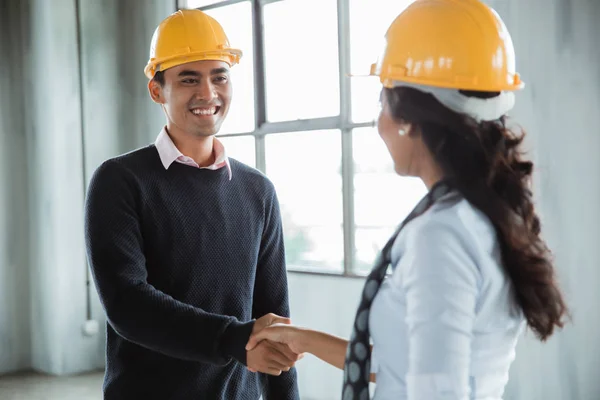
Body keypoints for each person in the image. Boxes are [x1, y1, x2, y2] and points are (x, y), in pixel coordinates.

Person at [245, 0, 569, 399]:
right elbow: (409, 364)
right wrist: (303, 339)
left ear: (409, 118)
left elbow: (436, 391)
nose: (378, 121)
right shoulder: (476, 214)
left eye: (382, 103)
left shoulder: (440, 234)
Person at [84, 9, 300, 400]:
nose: (208, 93)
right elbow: (127, 303)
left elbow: (274, 317)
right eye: (188, 79)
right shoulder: (120, 181)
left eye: (219, 76)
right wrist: (233, 339)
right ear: (157, 90)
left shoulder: (258, 191)